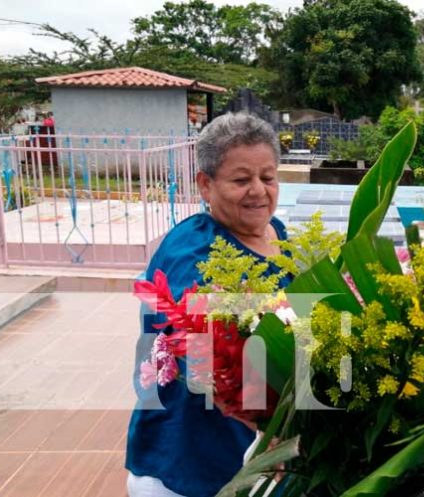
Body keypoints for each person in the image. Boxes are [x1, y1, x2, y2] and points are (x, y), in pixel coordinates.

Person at [126, 112, 290, 497]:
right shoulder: (194, 255)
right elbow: (205, 359)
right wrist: (277, 430)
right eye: (241, 179)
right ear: (205, 184)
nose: (259, 191)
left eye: (268, 177)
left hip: (255, 456)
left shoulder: (274, 232)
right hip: (191, 462)